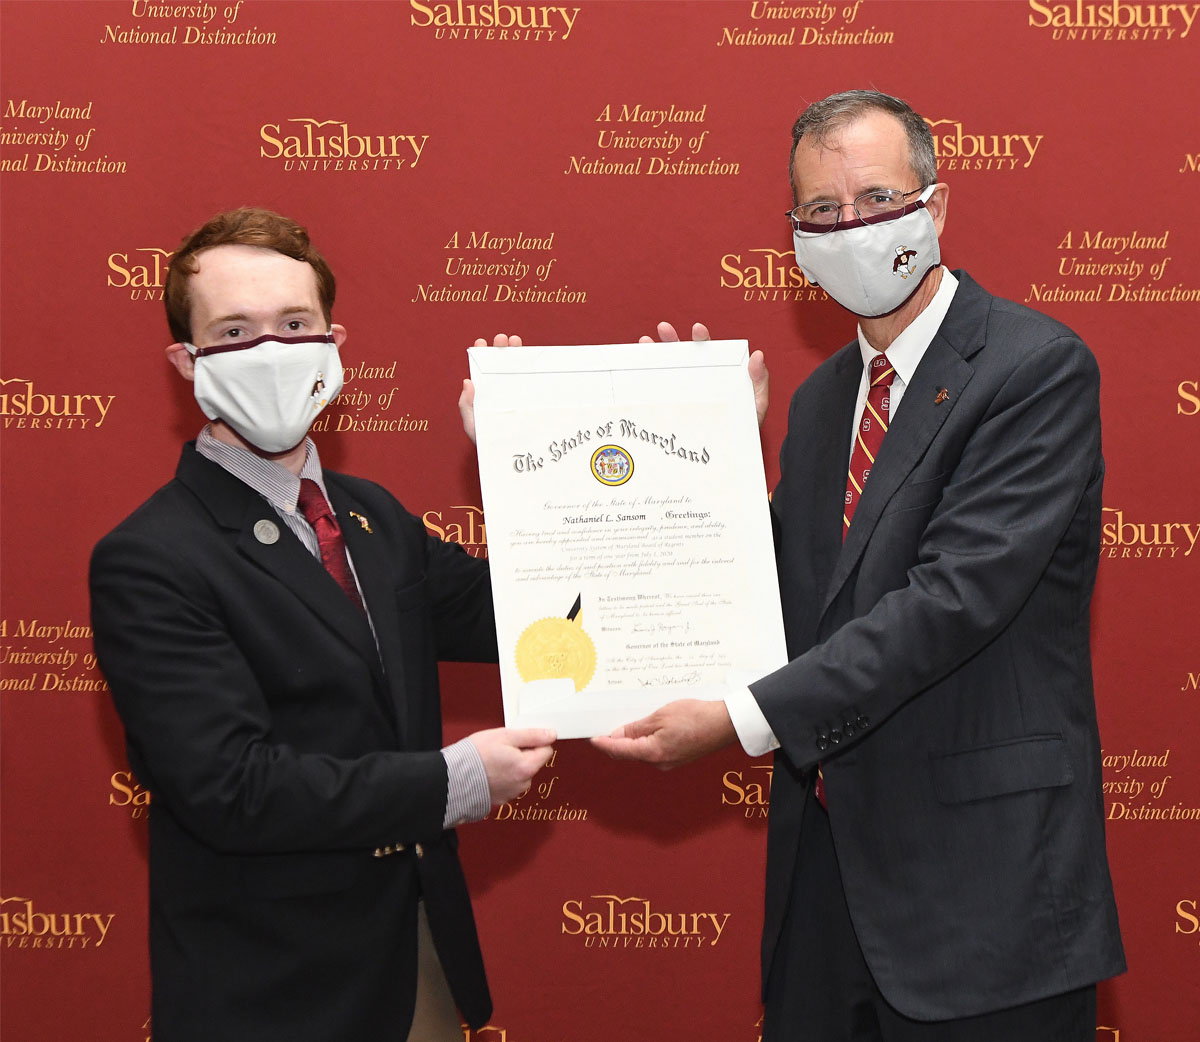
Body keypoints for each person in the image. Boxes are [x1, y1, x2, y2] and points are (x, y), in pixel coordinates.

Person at [592, 90, 1125, 1041]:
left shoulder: (1034, 367)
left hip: (983, 899)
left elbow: (953, 601)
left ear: (937, 206)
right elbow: (777, 591)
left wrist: (739, 720)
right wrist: (691, 445)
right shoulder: (822, 396)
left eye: (879, 199)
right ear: (794, 235)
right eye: (823, 213)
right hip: (825, 889)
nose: (855, 228)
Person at [89, 207, 556, 1042]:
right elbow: (230, 788)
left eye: (294, 325)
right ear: (185, 362)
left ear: (334, 343)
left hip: (417, 966)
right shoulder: (150, 558)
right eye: (234, 331)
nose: (270, 351)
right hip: (272, 993)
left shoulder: (372, 517)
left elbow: (535, 610)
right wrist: (452, 781)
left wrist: (527, 460)